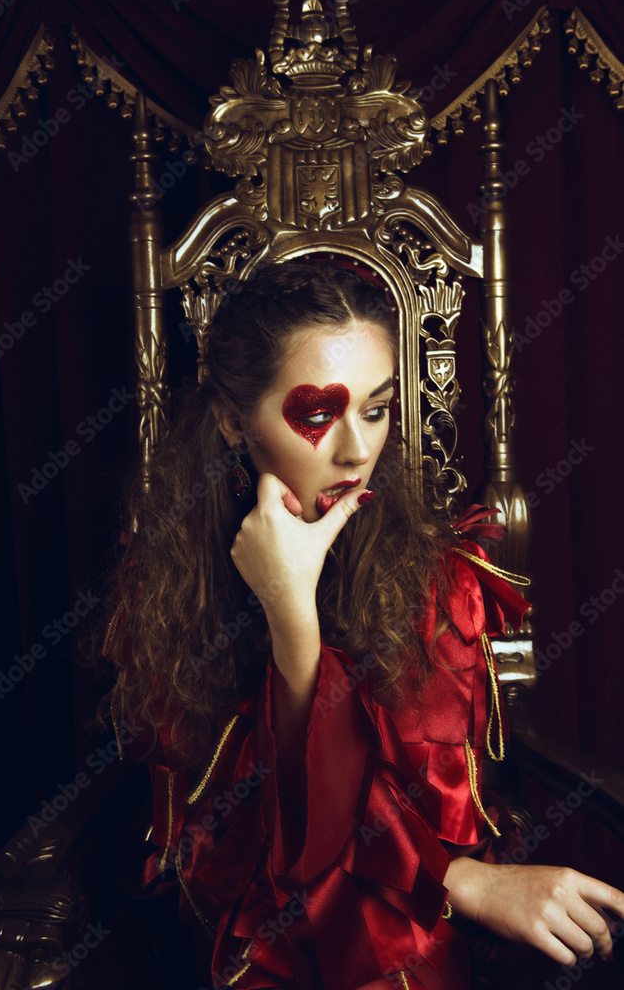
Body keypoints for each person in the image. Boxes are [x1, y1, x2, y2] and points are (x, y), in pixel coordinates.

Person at [101, 260, 624, 990]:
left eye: (376, 410)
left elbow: (391, 834)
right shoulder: (171, 593)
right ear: (232, 420)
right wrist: (289, 610)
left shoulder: (439, 585)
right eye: (318, 415)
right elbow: (252, 855)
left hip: (412, 940)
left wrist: (461, 880)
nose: (356, 450)